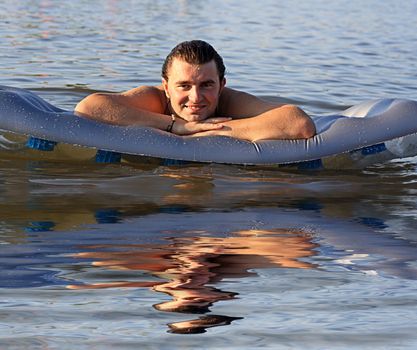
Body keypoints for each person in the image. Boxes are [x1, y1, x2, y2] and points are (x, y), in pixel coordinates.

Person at [75, 40, 315, 142]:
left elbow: (298, 123)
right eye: (184, 86)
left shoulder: (229, 102)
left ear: (222, 85)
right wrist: (176, 126)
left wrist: (214, 132)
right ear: (167, 87)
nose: (196, 98)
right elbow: (89, 107)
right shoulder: (154, 99)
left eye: (207, 85)